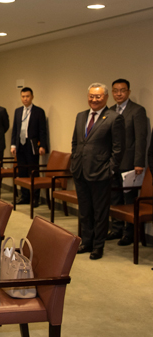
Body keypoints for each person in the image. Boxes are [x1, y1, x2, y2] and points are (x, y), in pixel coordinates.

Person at [71, 83, 125, 260]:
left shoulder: (113, 118)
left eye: (98, 96)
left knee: (100, 212)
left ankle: (98, 246)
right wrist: (74, 162)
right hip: (80, 171)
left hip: (101, 173)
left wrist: (109, 170)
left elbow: (118, 149)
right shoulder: (81, 116)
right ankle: (86, 242)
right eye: (91, 96)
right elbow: (76, 143)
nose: (94, 99)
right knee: (85, 210)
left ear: (106, 98)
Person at [106, 79, 147, 246]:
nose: (119, 94)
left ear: (128, 92)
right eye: (115, 91)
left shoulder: (137, 111)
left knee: (129, 198)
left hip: (130, 164)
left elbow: (140, 138)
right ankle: (116, 229)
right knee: (114, 197)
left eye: (122, 90)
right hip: (113, 163)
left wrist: (139, 163)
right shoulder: (108, 111)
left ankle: (129, 233)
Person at [10, 87, 48, 207]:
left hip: (32, 145)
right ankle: (25, 196)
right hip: (20, 144)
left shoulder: (39, 111)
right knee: (22, 172)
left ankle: (35, 198)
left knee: (32, 171)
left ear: (32, 97)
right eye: (23, 96)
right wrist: (13, 145)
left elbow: (42, 130)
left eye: (27, 96)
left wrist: (42, 145)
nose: (25, 99)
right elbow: (15, 129)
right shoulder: (18, 111)